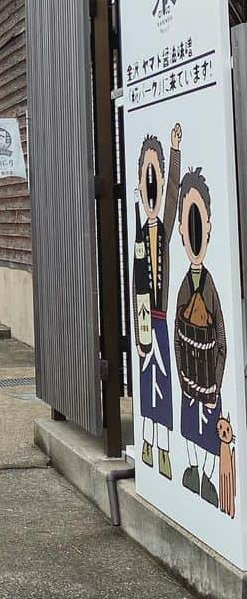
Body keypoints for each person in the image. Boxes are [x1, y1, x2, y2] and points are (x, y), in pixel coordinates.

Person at [173, 168, 227, 508]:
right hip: (189, 377)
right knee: (191, 427)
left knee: (208, 429)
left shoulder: (210, 286)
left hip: (208, 379)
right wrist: (181, 376)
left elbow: (220, 336)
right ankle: (193, 470)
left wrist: (216, 385)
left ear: (207, 226)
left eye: (199, 220)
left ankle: (208, 474)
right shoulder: (183, 286)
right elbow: (177, 337)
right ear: (181, 228)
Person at [133, 125, 180, 480]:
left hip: (164, 319)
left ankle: (164, 449)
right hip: (146, 318)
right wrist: (138, 330)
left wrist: (175, 151)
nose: (151, 189)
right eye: (146, 178)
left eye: (156, 180)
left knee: (163, 384)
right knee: (147, 382)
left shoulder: (163, 228)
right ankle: (148, 444)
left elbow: (177, 200)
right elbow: (136, 284)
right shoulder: (138, 232)